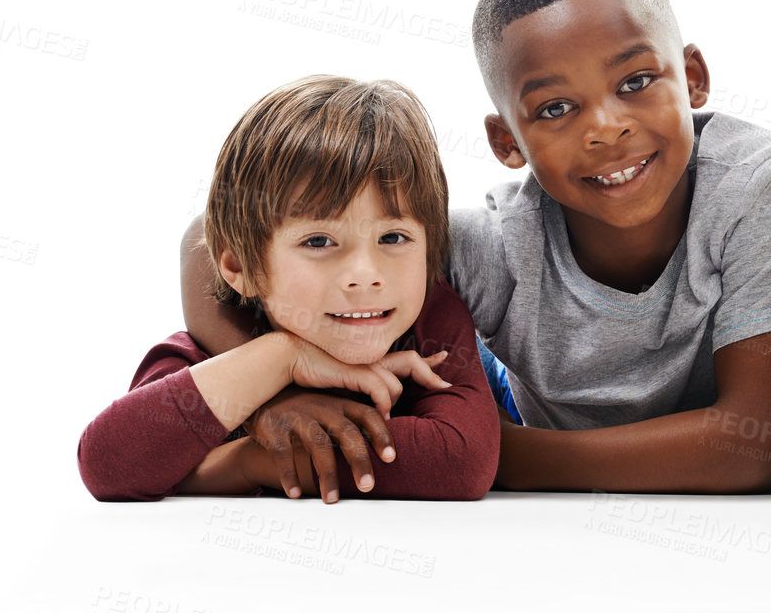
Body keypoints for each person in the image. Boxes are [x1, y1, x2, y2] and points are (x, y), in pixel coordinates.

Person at [182, 0, 771, 493]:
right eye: (555, 108)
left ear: (694, 78)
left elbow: (752, 448)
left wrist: (505, 457)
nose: (606, 126)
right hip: (503, 398)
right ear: (505, 140)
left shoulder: (755, 186)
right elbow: (203, 242)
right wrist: (282, 388)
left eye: (636, 81)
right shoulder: (497, 246)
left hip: (526, 440)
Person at [79, 76, 497, 502]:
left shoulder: (432, 321)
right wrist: (284, 358)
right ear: (240, 267)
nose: (366, 275)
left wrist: (246, 463)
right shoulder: (205, 359)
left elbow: (460, 460)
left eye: (392, 238)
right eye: (318, 241)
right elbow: (109, 465)